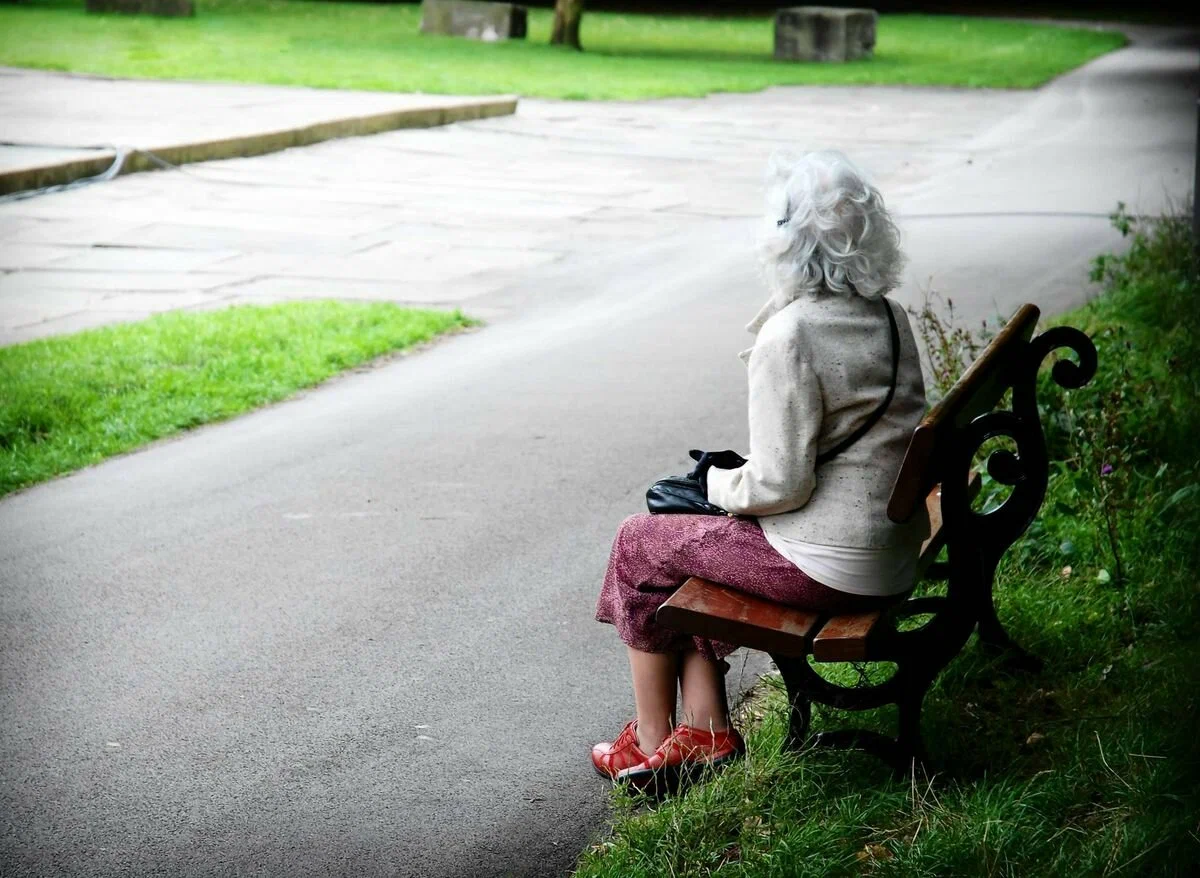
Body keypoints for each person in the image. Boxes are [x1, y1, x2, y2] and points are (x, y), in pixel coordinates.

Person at [591, 150, 930, 791]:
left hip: (829, 568)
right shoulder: (890, 318)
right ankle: (705, 727)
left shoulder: (791, 334)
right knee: (685, 541)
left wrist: (711, 486)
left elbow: (779, 485)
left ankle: (652, 742)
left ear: (784, 242)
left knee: (639, 541)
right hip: (892, 555)